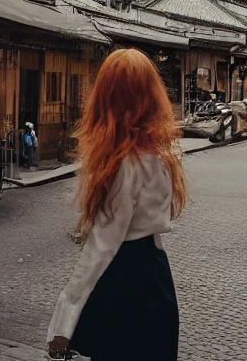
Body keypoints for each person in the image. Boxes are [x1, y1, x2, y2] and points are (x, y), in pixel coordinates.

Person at [47, 49, 188, 361]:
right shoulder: (165, 154)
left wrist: (62, 324)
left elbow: (102, 245)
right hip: (157, 275)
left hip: (124, 281)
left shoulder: (125, 163)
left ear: (106, 98)